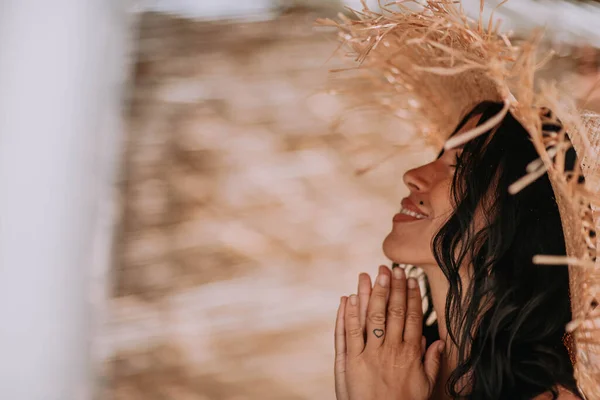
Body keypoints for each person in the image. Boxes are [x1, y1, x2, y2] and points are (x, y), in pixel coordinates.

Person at [334, 102, 582, 399]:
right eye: (438, 156)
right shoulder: (380, 368)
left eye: (461, 165)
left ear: (520, 216)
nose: (413, 174)